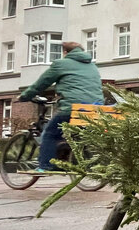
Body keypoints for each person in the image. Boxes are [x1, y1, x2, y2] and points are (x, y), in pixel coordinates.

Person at [18, 41, 104, 172]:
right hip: (95, 109)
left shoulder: (61, 64)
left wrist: (25, 96)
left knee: (49, 134)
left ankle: (45, 166)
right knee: (72, 134)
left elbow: (42, 83)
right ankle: (66, 158)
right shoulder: (92, 66)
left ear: (65, 52)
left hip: (73, 108)